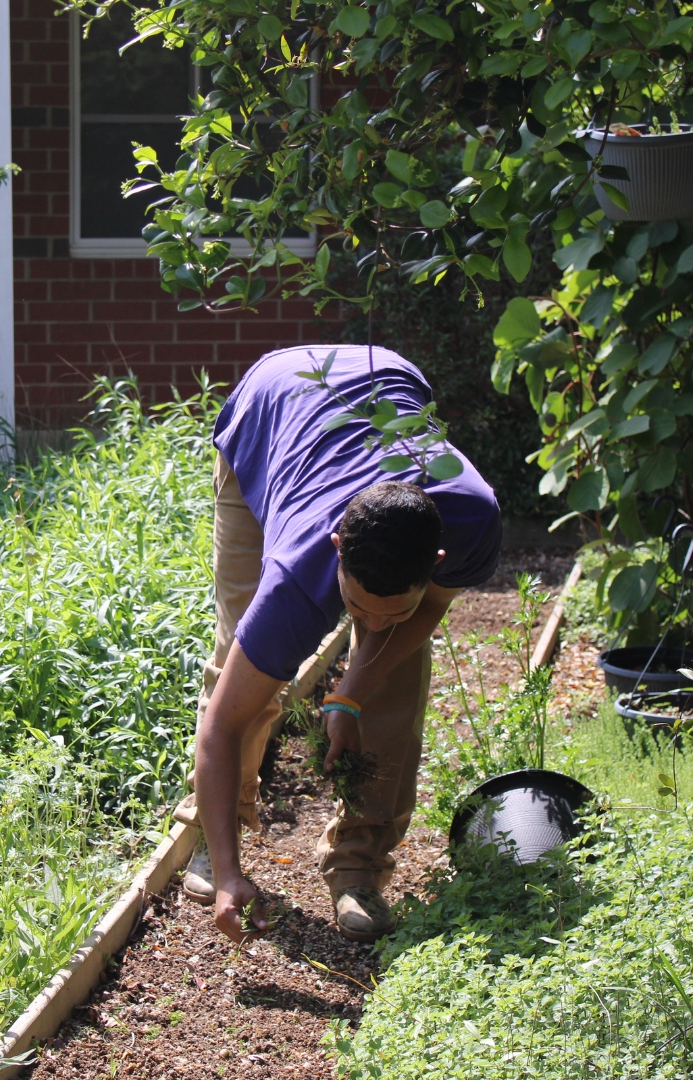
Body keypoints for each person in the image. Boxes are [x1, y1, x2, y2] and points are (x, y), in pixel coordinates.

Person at [180, 344, 501, 945]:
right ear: (335, 550)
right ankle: (216, 840)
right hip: (270, 411)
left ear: (435, 560)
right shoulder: (295, 577)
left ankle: (359, 866)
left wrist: (351, 695)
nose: (371, 629)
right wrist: (229, 878)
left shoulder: (469, 519)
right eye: (355, 608)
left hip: (385, 380)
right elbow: (222, 726)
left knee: (397, 670)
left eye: (392, 610)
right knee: (240, 659)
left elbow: (427, 608)